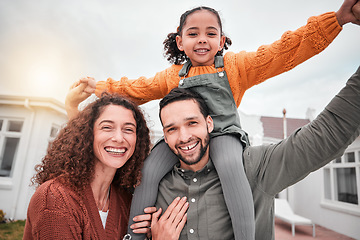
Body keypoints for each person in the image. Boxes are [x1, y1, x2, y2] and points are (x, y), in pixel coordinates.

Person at [65, 2, 360, 239]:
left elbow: (283, 53)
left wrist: (336, 19)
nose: (202, 40)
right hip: (182, 143)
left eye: (210, 33)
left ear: (221, 39)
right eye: (193, 34)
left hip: (225, 137)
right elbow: (136, 89)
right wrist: (98, 87)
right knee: (150, 169)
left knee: (231, 167)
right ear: (180, 42)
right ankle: (134, 236)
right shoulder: (172, 76)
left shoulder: (235, 66)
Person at [134, 65, 360, 240]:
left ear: (209, 123)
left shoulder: (253, 167)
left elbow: (325, 135)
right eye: (172, 129)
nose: (183, 137)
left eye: (192, 123)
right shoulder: (153, 182)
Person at [23, 94, 153, 239]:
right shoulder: (55, 198)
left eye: (128, 129)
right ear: (88, 134)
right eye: (107, 127)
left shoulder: (125, 200)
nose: (119, 138)